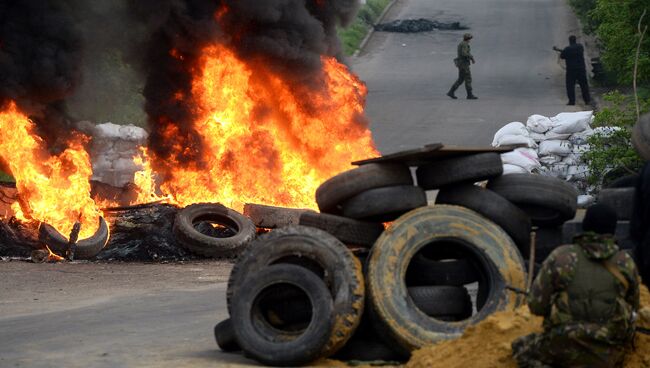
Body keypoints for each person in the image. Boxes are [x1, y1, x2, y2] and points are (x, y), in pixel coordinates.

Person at [512, 204, 640, 368]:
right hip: (607, 352)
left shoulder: (562, 256)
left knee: (520, 348)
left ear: (585, 225)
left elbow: (536, 306)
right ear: (613, 230)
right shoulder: (625, 262)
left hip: (563, 345)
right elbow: (633, 308)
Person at [553, 35, 592, 106]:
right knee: (584, 86)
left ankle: (571, 101)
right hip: (581, 69)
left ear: (569, 41)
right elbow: (569, 51)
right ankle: (587, 100)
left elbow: (563, 55)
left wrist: (557, 49)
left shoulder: (567, 49)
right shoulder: (580, 47)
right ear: (575, 40)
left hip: (571, 71)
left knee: (570, 86)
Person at [447, 33, 478, 100]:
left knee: (461, 79)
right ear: (468, 38)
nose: (470, 40)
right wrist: (471, 57)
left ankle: (451, 92)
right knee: (468, 78)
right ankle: (469, 95)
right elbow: (464, 53)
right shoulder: (464, 44)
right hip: (464, 64)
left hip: (461, 64)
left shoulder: (462, 43)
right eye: (470, 38)